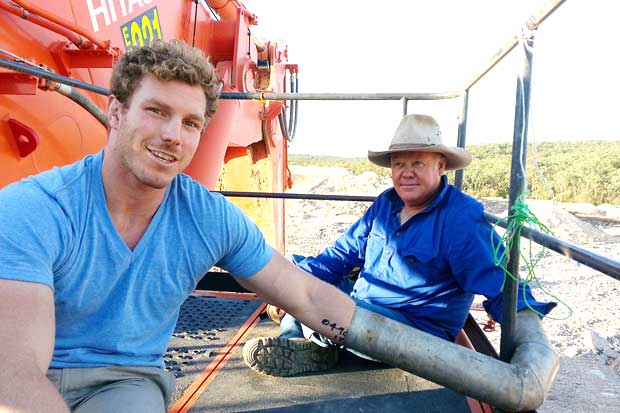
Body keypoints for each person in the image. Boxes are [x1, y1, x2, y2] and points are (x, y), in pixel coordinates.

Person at [0, 39, 356, 413]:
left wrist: (413, 346)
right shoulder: (36, 208)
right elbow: (13, 368)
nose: (173, 135)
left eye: (190, 123)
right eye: (156, 111)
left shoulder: (208, 219)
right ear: (115, 112)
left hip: (123, 382)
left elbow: (307, 297)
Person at [243, 113, 556, 377]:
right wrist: (290, 278)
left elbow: (500, 284)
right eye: (398, 164)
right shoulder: (386, 204)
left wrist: (528, 330)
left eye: (417, 163)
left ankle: (308, 335)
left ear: (441, 165)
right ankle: (305, 343)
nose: (406, 173)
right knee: (308, 280)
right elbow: (343, 253)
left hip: (413, 330)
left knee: (319, 300)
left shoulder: (461, 220)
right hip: (362, 307)